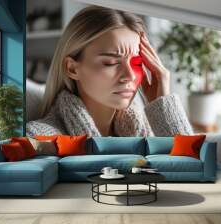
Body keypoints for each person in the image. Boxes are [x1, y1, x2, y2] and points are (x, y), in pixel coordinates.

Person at [27, 6, 194, 137]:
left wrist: (163, 104)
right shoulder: (40, 137)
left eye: (137, 63)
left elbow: (197, 171)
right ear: (72, 68)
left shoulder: (147, 132)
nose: (129, 76)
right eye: (111, 62)